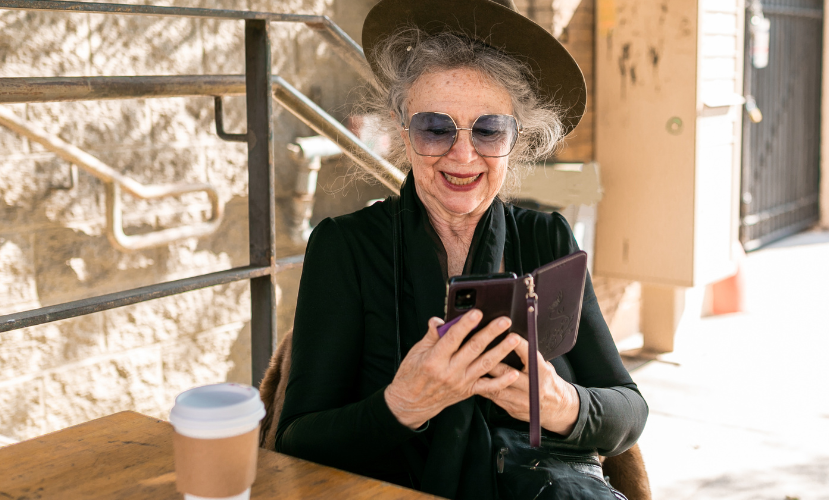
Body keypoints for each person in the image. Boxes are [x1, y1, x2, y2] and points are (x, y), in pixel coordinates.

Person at [276, 0, 648, 498]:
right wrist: (402, 404)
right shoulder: (345, 247)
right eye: (436, 128)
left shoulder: (547, 239)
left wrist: (557, 402)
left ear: (517, 136)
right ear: (402, 126)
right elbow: (296, 441)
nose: (464, 155)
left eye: (490, 129)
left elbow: (629, 408)